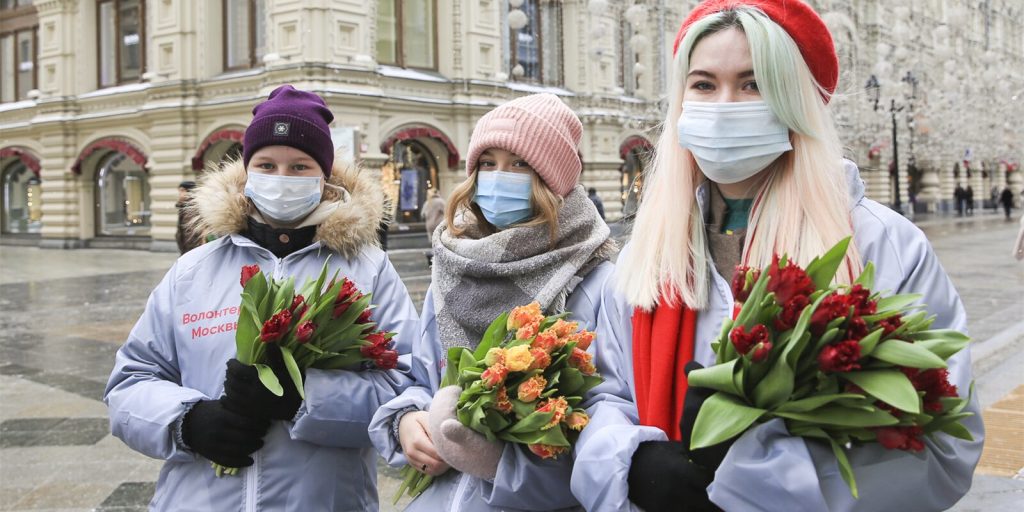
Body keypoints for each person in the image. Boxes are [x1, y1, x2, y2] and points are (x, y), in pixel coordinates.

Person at [570, 2, 984, 511]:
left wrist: (742, 487)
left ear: (795, 99)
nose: (724, 104)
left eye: (753, 83)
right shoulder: (646, 256)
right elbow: (604, 394)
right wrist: (629, 465)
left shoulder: (880, 245)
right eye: (703, 84)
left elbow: (943, 441)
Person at [104, 85, 420, 511]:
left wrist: (304, 398)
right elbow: (130, 382)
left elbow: (406, 388)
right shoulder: (193, 270)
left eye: (300, 166)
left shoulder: (369, 270)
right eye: (267, 164)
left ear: (324, 178)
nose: (282, 179)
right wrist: (189, 422)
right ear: (247, 172)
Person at [369, 93, 616, 512]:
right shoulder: (451, 267)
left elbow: (606, 428)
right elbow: (420, 376)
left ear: (552, 177)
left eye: (519, 163)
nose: (499, 177)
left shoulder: (597, 279)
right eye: (488, 163)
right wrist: (406, 421)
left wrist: (502, 464)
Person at [175, 180, 204, 254]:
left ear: (189, 192)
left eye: (182, 191)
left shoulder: (193, 209)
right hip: (186, 251)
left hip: (193, 252)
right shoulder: (184, 207)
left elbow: (194, 236)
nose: (179, 194)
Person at [421, 188, 446, 266]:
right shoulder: (440, 201)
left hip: (429, 225)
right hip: (438, 224)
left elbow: (422, 214)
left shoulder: (427, 202)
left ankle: (432, 258)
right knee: (441, 242)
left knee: (433, 242)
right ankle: (439, 259)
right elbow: (447, 211)